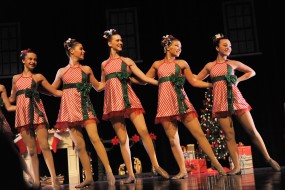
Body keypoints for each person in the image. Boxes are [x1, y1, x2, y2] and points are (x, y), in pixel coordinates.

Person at [195, 33, 281, 175]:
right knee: (229, 136)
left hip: (236, 99)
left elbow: (251, 72)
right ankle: (236, 166)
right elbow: (197, 80)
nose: (228, 48)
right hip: (221, 102)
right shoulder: (210, 66)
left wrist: (238, 80)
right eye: (225, 45)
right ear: (217, 48)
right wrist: (211, 85)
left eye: (230, 46)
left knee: (252, 131)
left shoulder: (233, 63)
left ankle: (267, 158)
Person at [145, 34, 227, 179]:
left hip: (182, 102)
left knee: (199, 135)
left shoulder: (182, 63)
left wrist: (211, 84)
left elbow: (194, 81)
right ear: (167, 46)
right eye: (177, 46)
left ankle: (216, 163)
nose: (179, 49)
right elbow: (145, 79)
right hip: (165, 104)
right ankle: (182, 170)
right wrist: (132, 78)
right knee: (173, 139)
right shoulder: (157, 64)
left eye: (181, 47)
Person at [101, 29, 170, 184]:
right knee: (122, 138)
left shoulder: (127, 61)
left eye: (121, 40)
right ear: (109, 43)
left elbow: (144, 77)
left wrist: (161, 82)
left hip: (129, 99)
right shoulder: (104, 64)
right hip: (113, 102)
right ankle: (131, 174)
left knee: (144, 131)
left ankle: (156, 165)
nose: (120, 43)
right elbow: (101, 84)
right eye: (117, 40)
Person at [51, 38, 115, 188]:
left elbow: (98, 87)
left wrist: (109, 75)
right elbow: (53, 90)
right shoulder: (62, 71)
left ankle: (109, 171)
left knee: (95, 139)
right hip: (70, 110)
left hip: (85, 108)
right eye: (80, 48)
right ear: (71, 51)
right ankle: (89, 177)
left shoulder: (86, 69)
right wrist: (38, 88)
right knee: (80, 145)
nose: (83, 51)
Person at [9, 49, 62, 190]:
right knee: (31, 151)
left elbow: (54, 91)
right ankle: (37, 182)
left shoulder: (38, 77)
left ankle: (54, 179)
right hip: (23, 117)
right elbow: (12, 99)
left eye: (35, 59)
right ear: (23, 60)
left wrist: (70, 91)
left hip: (37, 114)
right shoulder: (15, 79)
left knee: (45, 147)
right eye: (30, 59)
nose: (33, 61)